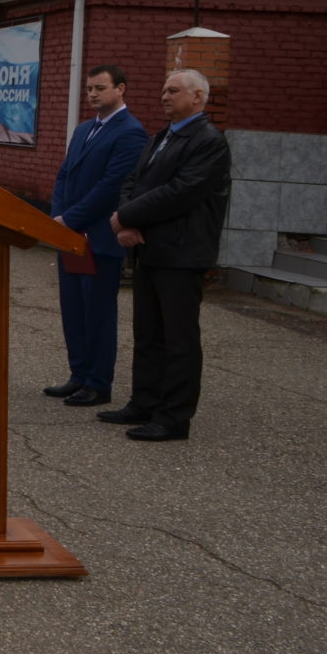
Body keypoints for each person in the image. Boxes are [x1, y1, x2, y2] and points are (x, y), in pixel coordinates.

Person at [102, 68, 231, 442]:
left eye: (173, 91)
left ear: (198, 98)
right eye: (163, 90)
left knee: (179, 340)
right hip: (149, 249)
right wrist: (125, 222)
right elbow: (133, 181)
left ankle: (173, 419)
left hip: (182, 254)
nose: (164, 96)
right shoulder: (160, 137)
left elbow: (181, 191)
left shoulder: (208, 141)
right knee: (148, 335)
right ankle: (143, 403)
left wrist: (127, 215)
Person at [44, 65, 149, 406]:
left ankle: (98, 383)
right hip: (71, 236)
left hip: (99, 239)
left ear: (121, 89)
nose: (92, 94)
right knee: (73, 309)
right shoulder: (84, 129)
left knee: (98, 313)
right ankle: (78, 375)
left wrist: (70, 219)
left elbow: (111, 187)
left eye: (100, 88)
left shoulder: (130, 132)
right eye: (89, 88)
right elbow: (64, 175)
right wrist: (56, 217)